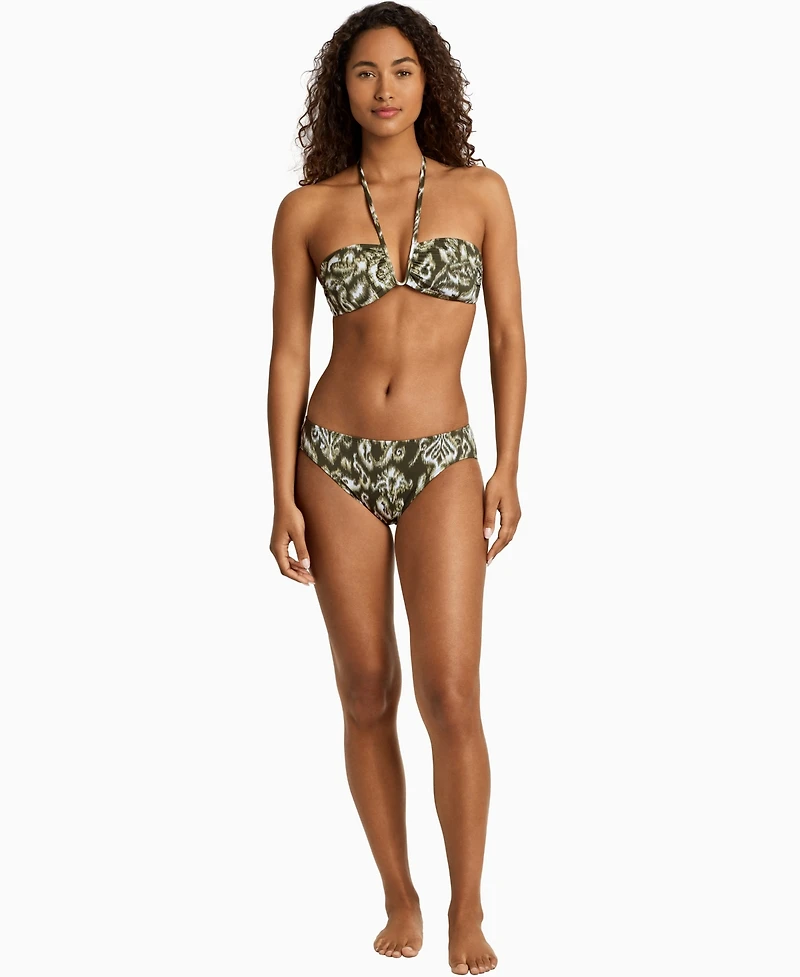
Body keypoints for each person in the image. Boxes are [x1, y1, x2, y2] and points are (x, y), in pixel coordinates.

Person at [267, 3, 525, 973]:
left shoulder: (481, 194)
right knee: (365, 685)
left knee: (450, 691)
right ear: (342, 88)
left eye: (403, 70)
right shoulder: (306, 210)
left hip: (441, 459)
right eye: (366, 72)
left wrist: (507, 464)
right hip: (332, 457)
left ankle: (468, 905)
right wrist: (280, 492)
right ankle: (398, 892)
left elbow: (507, 336)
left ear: (429, 83)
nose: (385, 89)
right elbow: (288, 355)